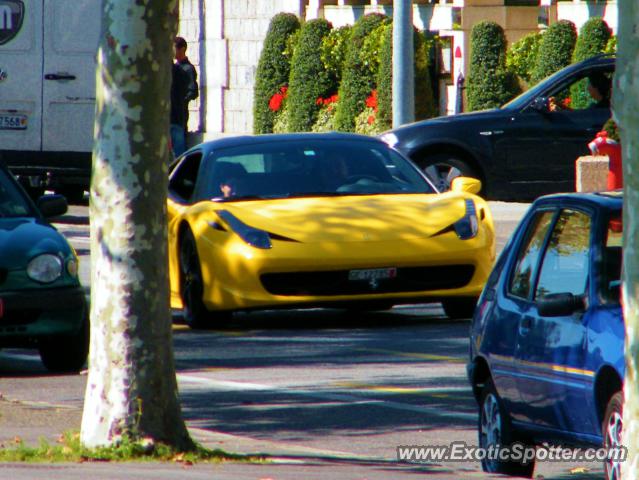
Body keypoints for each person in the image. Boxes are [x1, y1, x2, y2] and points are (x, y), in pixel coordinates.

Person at [170, 37, 199, 157]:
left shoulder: (187, 69)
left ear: (182, 49)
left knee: (178, 153)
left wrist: (180, 100)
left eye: (175, 49)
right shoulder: (174, 68)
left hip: (179, 117)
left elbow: (193, 91)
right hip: (170, 116)